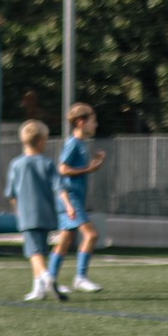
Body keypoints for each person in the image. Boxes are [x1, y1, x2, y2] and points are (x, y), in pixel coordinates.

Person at [48, 101, 106, 294]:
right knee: (91, 235)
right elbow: (62, 169)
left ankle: (49, 279)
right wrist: (89, 168)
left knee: (64, 241)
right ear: (81, 122)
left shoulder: (81, 144)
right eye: (93, 121)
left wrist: (94, 163)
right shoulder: (72, 143)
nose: (95, 124)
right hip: (70, 199)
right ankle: (80, 278)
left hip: (73, 200)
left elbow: (79, 169)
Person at [5, 120, 66, 302]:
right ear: (40, 141)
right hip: (46, 214)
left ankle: (47, 277)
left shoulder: (16, 164)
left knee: (34, 252)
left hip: (27, 215)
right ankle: (38, 289)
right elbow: (59, 187)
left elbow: (11, 193)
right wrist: (69, 206)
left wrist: (17, 211)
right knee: (40, 250)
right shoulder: (47, 163)